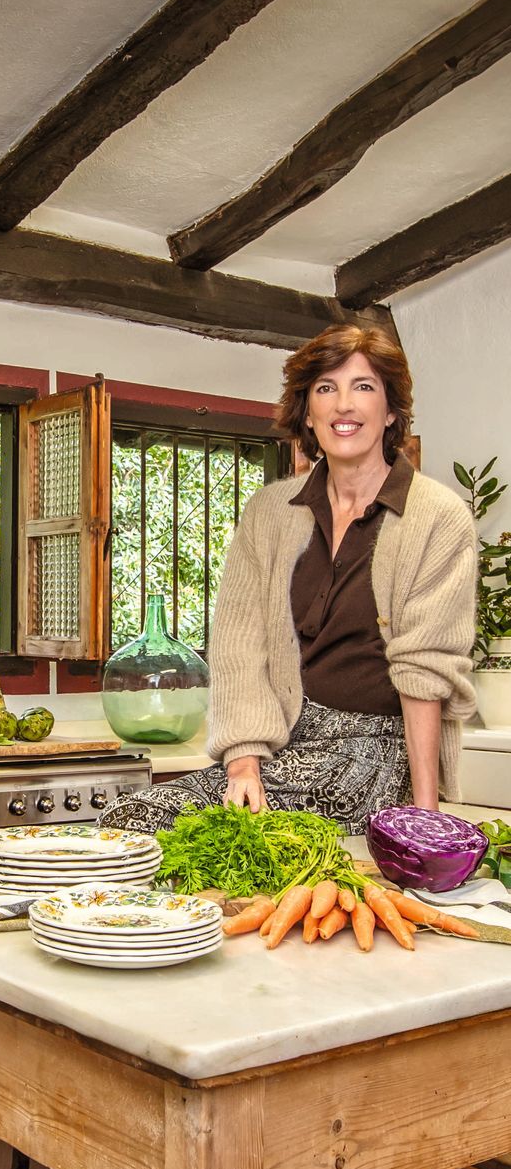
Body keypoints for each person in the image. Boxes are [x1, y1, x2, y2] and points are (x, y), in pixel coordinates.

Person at [104, 322, 476, 837]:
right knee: (129, 817)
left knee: (201, 838)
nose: (344, 404)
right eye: (326, 388)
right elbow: (240, 644)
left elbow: (424, 672)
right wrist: (242, 761)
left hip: (373, 754)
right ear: (307, 411)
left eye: (363, 387)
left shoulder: (438, 515)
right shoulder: (268, 512)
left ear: (391, 411)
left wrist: (426, 818)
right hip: (285, 743)